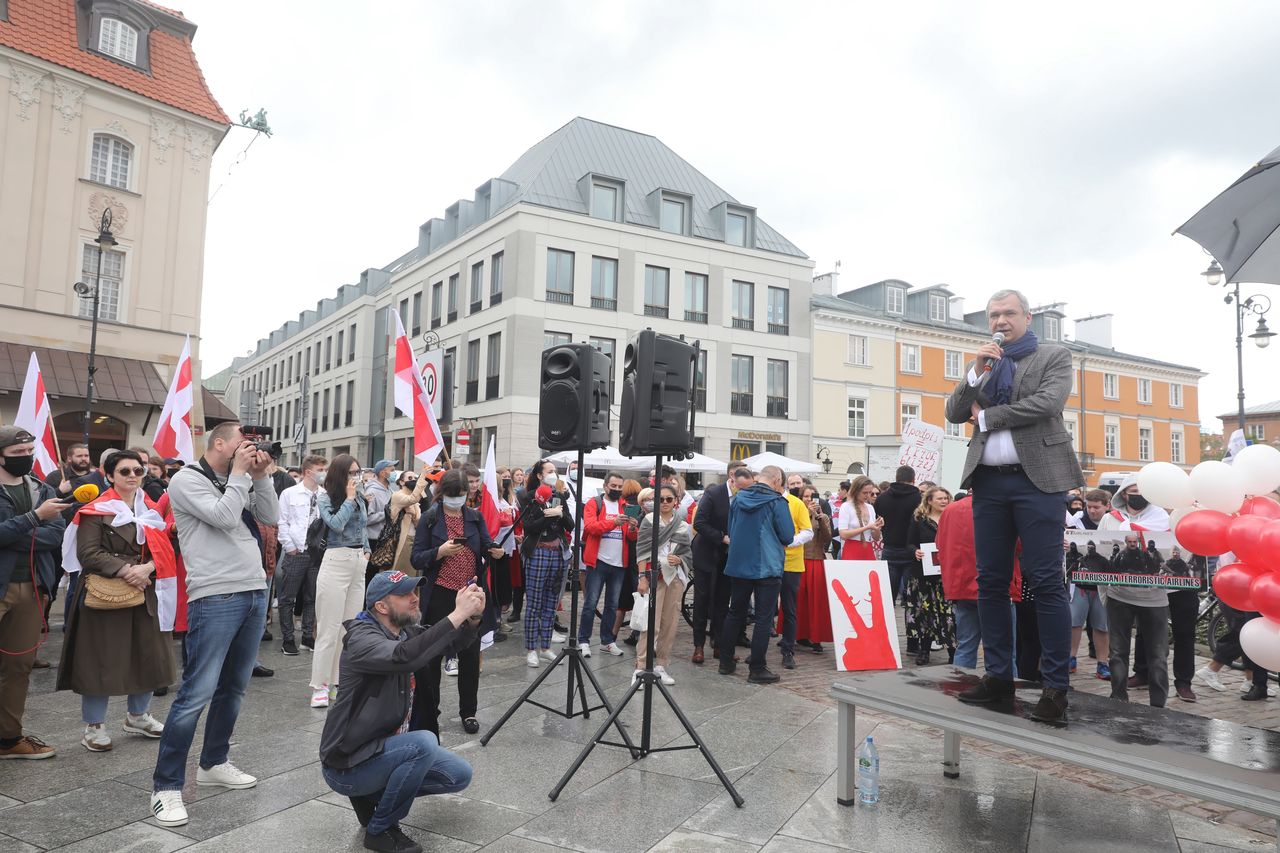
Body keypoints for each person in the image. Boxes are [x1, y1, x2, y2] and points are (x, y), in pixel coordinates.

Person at [948, 288, 1083, 725]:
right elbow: (953, 412)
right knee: (990, 582)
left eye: (1008, 313)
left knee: (1045, 582)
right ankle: (999, 678)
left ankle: (1055, 688)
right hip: (988, 484)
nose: (1000, 321)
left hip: (1038, 481)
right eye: (992, 315)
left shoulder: (1053, 355)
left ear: (1026, 317)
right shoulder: (985, 364)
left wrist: (987, 416)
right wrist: (974, 371)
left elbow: (1048, 403)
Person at [150, 422, 279, 827]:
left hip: (254, 590)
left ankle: (214, 762)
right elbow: (224, 518)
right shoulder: (187, 480)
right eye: (243, 445)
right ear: (219, 444)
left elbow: (270, 516)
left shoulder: (236, 477)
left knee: (234, 688)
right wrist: (242, 475)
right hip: (215, 594)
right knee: (195, 694)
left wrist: (260, 478)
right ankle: (166, 787)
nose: (249, 449)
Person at [319, 570, 482, 853]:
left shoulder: (403, 631)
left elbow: (445, 643)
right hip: (346, 763)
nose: (414, 599)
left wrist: (471, 618)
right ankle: (380, 829)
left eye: (416, 592)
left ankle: (371, 799)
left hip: (381, 750)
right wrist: (456, 615)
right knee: (423, 744)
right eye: (405, 594)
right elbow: (405, 656)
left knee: (458, 774)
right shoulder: (361, 639)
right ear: (381, 606)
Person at [58, 450, 173, 751]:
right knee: (101, 659)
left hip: (144, 588)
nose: (133, 476)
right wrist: (125, 569)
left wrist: (147, 568)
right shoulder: (96, 509)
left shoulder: (149, 508)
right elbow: (88, 553)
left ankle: (138, 716)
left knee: (147, 654)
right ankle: (93, 726)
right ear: (109, 475)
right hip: (104, 591)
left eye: (139, 470)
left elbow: (163, 548)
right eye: (125, 471)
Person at [408, 470, 502, 735]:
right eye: (452, 496)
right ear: (442, 494)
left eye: (462, 495)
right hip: (439, 594)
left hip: (470, 592)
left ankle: (468, 712)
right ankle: (430, 710)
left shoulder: (474, 517)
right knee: (432, 655)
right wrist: (440, 551)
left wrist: (494, 549)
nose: (457, 500)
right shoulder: (429, 519)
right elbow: (417, 559)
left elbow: (484, 545)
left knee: (470, 656)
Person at [0, 427, 69, 759]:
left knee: (19, 666)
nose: (26, 457)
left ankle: (9, 739)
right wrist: (33, 519)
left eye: (29, 450)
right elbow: (40, 525)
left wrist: (13, 533)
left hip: (31, 587)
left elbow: (54, 536)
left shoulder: (43, 489)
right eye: (17, 454)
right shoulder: (39, 502)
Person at [1100, 476, 1171, 708]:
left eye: (1142, 490)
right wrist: (1105, 593)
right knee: (1118, 652)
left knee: (1158, 655)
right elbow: (1101, 556)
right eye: (1133, 491)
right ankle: (1118, 697)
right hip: (1119, 596)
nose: (1138, 495)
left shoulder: (1162, 518)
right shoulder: (1110, 520)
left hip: (1155, 598)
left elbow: (1169, 556)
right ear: (1123, 494)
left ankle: (1158, 703)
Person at [718, 465, 794, 685]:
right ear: (778, 480)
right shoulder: (777, 502)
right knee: (763, 618)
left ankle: (726, 661)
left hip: (739, 564)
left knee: (735, 612)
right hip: (766, 566)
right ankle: (757, 668)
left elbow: (731, 530)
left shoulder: (739, 499)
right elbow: (787, 536)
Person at [309, 454, 370, 709]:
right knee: (329, 627)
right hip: (335, 560)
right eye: (351, 473)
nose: (356, 477)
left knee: (349, 628)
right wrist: (348, 499)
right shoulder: (325, 497)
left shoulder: (359, 497)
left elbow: (364, 527)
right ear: (340, 474)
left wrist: (366, 551)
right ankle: (319, 685)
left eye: (358, 472)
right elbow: (335, 524)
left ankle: (338, 681)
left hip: (358, 561)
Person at [631, 484, 693, 685]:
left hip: (674, 577)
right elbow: (641, 551)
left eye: (669, 499)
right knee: (651, 624)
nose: (665, 503)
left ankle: (661, 665)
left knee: (670, 624)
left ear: (676, 500)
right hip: (654, 577)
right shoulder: (649, 522)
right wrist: (642, 577)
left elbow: (687, 553)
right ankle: (641, 667)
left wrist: (680, 560)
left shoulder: (682, 524)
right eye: (661, 499)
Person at [690, 462, 748, 664]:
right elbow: (699, 523)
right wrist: (721, 537)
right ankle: (698, 646)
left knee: (723, 601)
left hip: (729, 557)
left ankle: (719, 644)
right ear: (731, 477)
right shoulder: (714, 493)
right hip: (706, 553)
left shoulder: (744, 496)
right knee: (702, 599)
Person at [517, 460, 573, 667]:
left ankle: (546, 647)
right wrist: (548, 517)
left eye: (555, 471)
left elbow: (571, 524)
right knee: (534, 603)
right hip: (538, 551)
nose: (554, 474)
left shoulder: (559, 496)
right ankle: (531, 649)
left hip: (558, 552)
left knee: (551, 602)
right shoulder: (528, 497)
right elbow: (529, 527)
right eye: (550, 471)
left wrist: (561, 514)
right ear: (540, 475)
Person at [578, 471, 637, 657]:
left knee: (612, 604)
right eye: (614, 486)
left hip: (619, 563)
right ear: (605, 486)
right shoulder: (594, 503)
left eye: (620, 487)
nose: (617, 489)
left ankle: (607, 640)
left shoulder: (625, 506)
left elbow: (629, 536)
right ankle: (583, 640)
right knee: (591, 602)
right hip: (598, 561)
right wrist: (613, 523)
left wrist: (633, 528)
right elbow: (590, 527)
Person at [276, 455, 328, 656]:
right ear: (308, 471)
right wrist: (289, 546)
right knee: (288, 597)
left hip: (317, 553)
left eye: (324, 468)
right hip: (296, 551)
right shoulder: (290, 493)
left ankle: (308, 636)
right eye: (320, 469)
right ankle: (288, 638)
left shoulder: (325, 495)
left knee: (311, 597)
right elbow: (282, 521)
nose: (323, 472)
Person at [904, 486, 955, 666]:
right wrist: (915, 552)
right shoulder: (919, 519)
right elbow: (909, 543)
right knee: (925, 614)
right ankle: (924, 651)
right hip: (923, 574)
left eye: (946, 498)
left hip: (946, 575)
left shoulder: (952, 518)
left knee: (947, 614)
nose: (943, 501)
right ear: (930, 501)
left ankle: (952, 651)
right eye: (940, 498)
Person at [1068, 489, 1112, 681]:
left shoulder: (1113, 522)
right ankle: (1070, 658)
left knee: (1102, 626)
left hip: (1102, 584)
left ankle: (1103, 663)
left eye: (1097, 507)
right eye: (1089, 506)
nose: (1092, 511)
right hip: (1079, 582)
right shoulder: (1075, 521)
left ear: (1107, 506)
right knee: (1074, 623)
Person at [777, 474, 815, 671]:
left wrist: (790, 541)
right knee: (765, 608)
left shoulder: (796, 503)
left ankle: (788, 649)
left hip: (791, 563)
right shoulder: (767, 501)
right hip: (769, 563)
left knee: (790, 607)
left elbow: (808, 531)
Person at [794, 484, 834, 654]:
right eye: (806, 496)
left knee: (816, 602)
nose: (809, 500)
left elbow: (827, 539)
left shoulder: (823, 517)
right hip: (798, 560)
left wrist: (819, 518)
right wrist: (808, 514)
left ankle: (816, 638)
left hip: (816, 560)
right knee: (798, 601)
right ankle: (798, 635)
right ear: (801, 498)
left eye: (812, 496)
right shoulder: (795, 514)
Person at [874, 466, 921, 606]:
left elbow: (878, 522)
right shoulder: (919, 499)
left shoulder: (882, 498)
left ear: (896, 478)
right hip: (913, 550)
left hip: (890, 547)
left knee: (887, 596)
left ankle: (887, 624)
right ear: (913, 479)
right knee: (911, 598)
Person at [614, 477, 645, 646]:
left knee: (623, 599)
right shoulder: (641, 508)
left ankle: (613, 634)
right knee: (640, 597)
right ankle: (637, 632)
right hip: (639, 557)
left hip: (627, 555)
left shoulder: (624, 506)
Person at [389, 468, 428, 576]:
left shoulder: (416, 502)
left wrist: (412, 515)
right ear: (401, 482)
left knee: (413, 576)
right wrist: (422, 476)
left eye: (415, 478)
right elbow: (412, 499)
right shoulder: (398, 495)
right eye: (409, 478)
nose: (413, 480)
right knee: (402, 576)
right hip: (402, 540)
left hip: (414, 539)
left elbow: (418, 523)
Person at [836, 476, 881, 560]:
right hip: (852, 550)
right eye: (864, 493)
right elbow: (843, 534)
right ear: (856, 491)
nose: (867, 496)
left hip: (868, 549)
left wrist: (877, 527)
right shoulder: (846, 506)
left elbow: (876, 537)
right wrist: (867, 527)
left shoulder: (870, 507)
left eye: (870, 493)